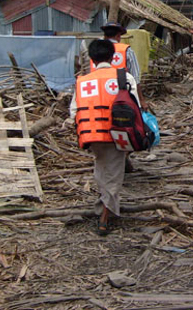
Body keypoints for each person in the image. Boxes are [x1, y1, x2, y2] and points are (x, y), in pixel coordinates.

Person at [66, 39, 139, 236]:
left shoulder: (83, 81)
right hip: (118, 134)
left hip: (90, 135)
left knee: (102, 169)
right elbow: (135, 108)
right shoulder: (124, 77)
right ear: (112, 56)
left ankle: (103, 205)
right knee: (114, 175)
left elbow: (73, 111)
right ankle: (105, 217)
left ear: (92, 58)